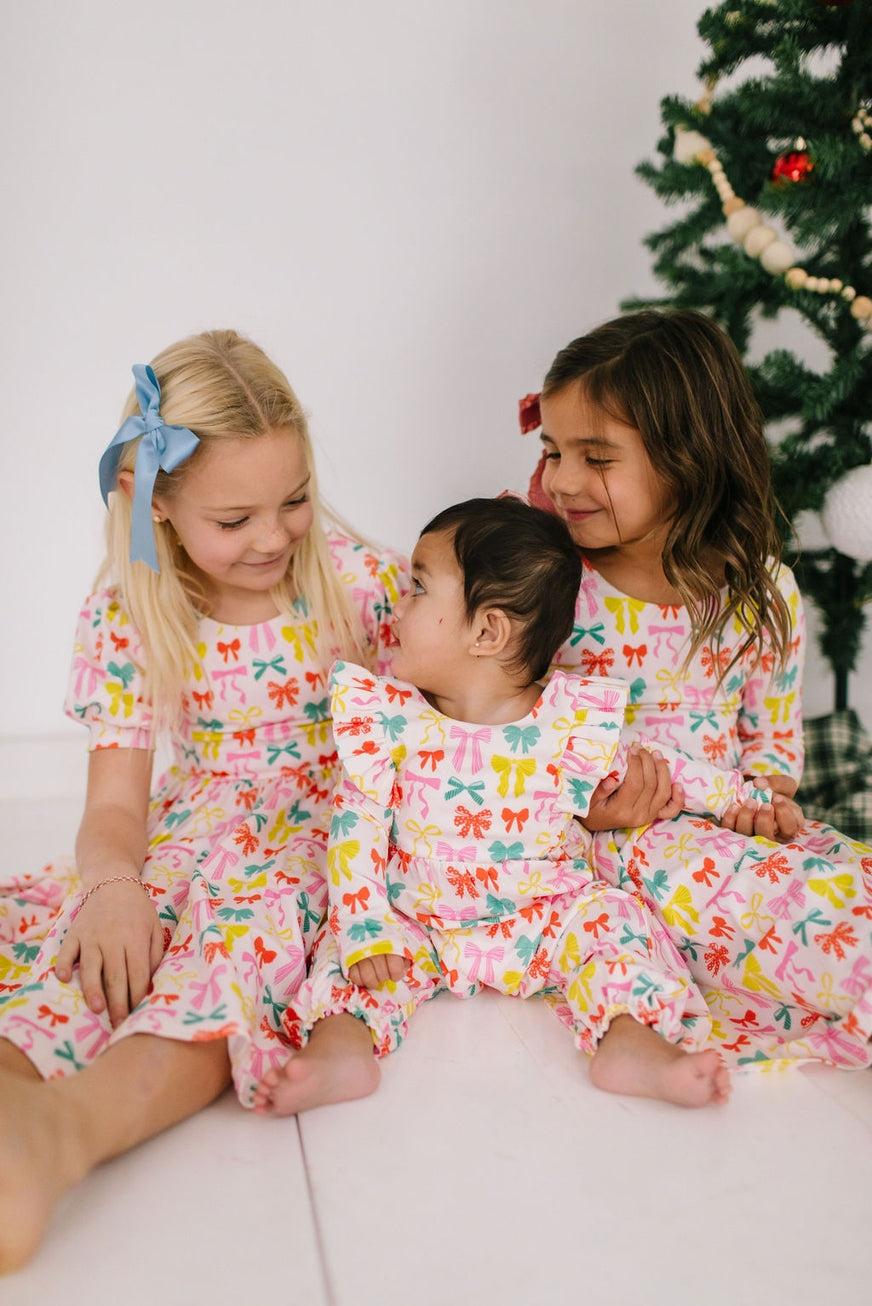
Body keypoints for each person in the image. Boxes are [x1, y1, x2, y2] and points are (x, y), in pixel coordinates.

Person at [0, 329, 407, 1273]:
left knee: (225, 969)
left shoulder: (356, 584)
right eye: (236, 519)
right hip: (197, 830)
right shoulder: (135, 611)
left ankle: (68, 1131)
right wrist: (113, 888)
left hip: (317, 841)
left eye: (295, 500)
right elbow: (114, 811)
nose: (273, 537)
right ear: (159, 506)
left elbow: (449, 711)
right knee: (96, 954)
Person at [253, 494, 779, 1119]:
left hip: (547, 916)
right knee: (346, 958)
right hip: (419, 915)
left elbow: (670, 770)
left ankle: (632, 1042)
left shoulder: (568, 722)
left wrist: (744, 799)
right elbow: (355, 834)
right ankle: (340, 1051)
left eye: (419, 588)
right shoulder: (390, 719)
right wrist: (369, 928)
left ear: (487, 629)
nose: (398, 606)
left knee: (615, 928)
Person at [522, 307, 872, 1068]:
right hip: (619, 846)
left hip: (732, 831)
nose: (564, 481)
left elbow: (772, 745)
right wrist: (586, 807)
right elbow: (496, 733)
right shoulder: (551, 588)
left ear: (686, 459)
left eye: (597, 457)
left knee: (839, 872)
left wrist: (767, 804)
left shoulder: (762, 593)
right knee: (790, 914)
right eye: (553, 451)